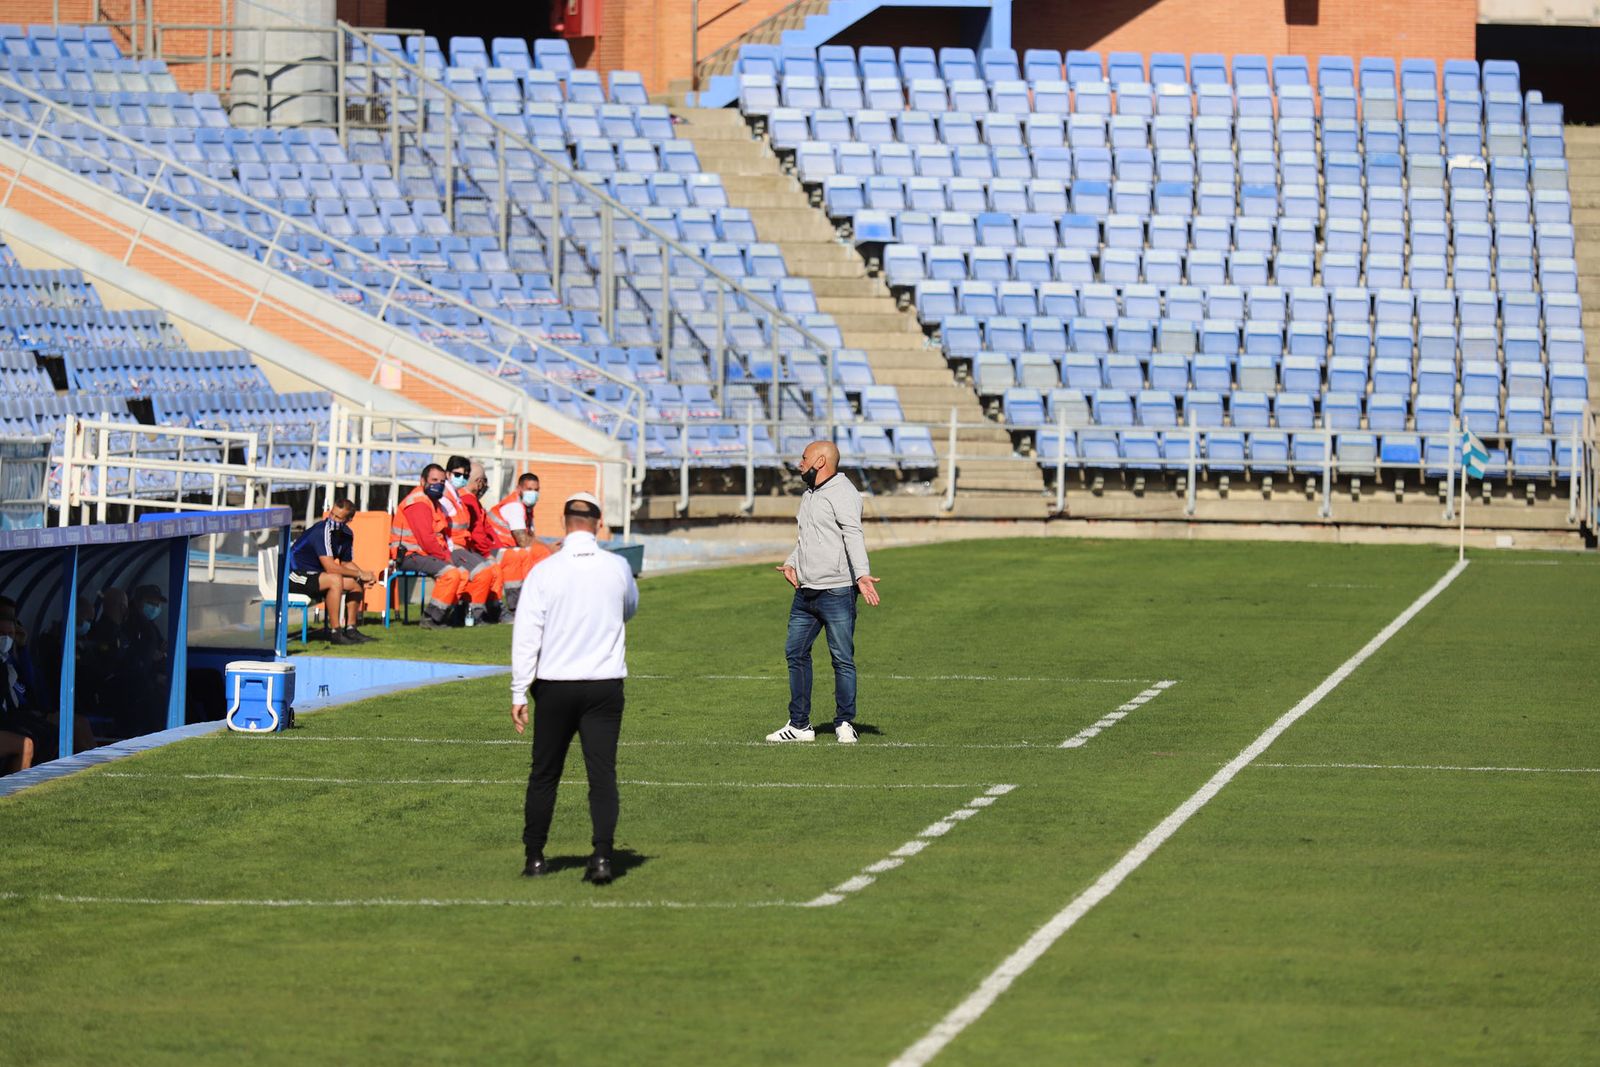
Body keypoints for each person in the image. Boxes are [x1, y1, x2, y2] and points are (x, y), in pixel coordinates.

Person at [510, 492, 638, 885]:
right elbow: (629, 608)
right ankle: (601, 856)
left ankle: (535, 855)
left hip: (554, 685)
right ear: (598, 524)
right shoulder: (617, 567)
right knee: (602, 774)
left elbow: (526, 634)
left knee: (544, 773)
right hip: (603, 684)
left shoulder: (545, 571)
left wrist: (519, 690)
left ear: (565, 522)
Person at [767, 440, 881, 744]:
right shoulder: (810, 494)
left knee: (842, 658)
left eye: (804, 458)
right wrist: (792, 562)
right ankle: (800, 725)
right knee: (795, 652)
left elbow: (853, 534)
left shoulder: (844, 493)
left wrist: (861, 574)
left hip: (836, 592)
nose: (800, 463)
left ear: (820, 462)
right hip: (805, 594)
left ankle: (845, 722)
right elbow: (808, 538)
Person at [390, 464, 474, 629]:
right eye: (434, 480)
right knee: (451, 573)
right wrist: (446, 558)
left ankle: (444, 615)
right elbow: (427, 539)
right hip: (409, 555)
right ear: (422, 481)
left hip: (424, 554)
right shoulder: (419, 502)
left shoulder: (432, 501)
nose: (438, 484)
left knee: (462, 573)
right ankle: (430, 618)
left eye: (442, 482)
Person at [288, 497, 378, 645]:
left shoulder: (347, 534)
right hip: (295, 575)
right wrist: (361, 573)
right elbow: (330, 567)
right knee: (335, 579)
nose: (333, 519)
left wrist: (365, 575)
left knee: (355, 583)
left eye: (338, 517)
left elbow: (346, 563)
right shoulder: (322, 531)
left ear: (348, 520)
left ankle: (351, 629)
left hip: (316, 576)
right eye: (332, 514)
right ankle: (336, 632)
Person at [484, 470, 555, 615]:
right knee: (535, 553)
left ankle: (539, 599)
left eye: (536, 490)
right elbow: (523, 541)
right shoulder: (514, 507)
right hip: (492, 551)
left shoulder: (526, 508)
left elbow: (531, 537)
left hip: (506, 549)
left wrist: (550, 547)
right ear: (518, 489)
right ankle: (519, 605)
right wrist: (549, 548)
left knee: (542, 553)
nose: (533, 493)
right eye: (529, 489)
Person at [440, 455, 498, 626]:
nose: (462, 479)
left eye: (465, 476)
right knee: (484, 571)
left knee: (486, 570)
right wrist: (488, 554)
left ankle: (468, 614)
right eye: (458, 475)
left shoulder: (458, 498)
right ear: (448, 474)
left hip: (460, 548)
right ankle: (473, 615)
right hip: (452, 548)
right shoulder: (450, 497)